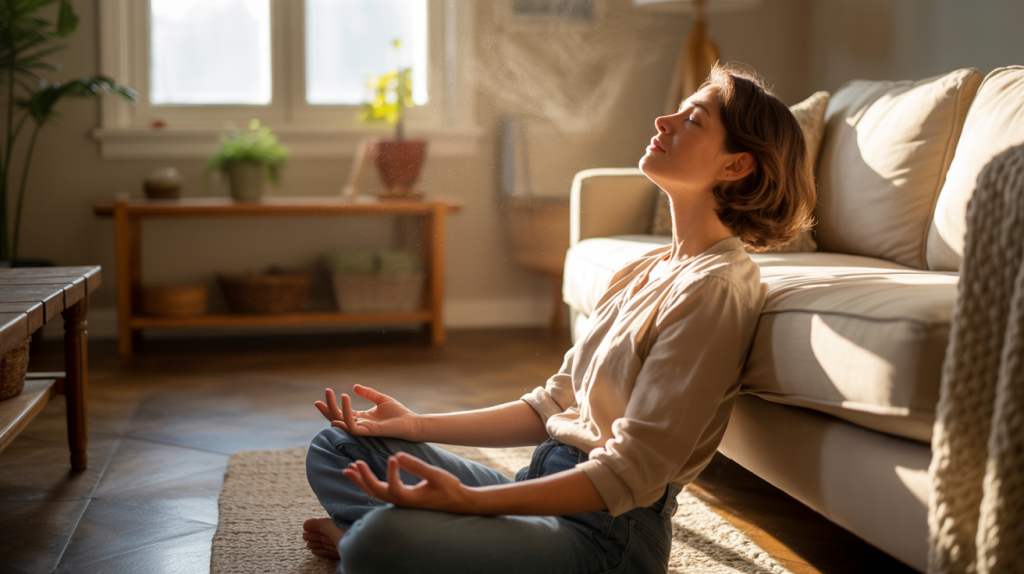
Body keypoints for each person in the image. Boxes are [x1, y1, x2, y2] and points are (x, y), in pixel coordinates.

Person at [302, 63, 816, 574]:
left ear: (736, 166)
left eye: (693, 119)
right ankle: (421, 543)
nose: (664, 121)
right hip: (538, 491)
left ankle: (380, 541)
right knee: (339, 446)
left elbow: (633, 472)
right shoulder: (644, 269)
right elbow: (550, 404)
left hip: (606, 536)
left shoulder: (716, 288)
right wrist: (415, 425)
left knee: (380, 542)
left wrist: (471, 503)